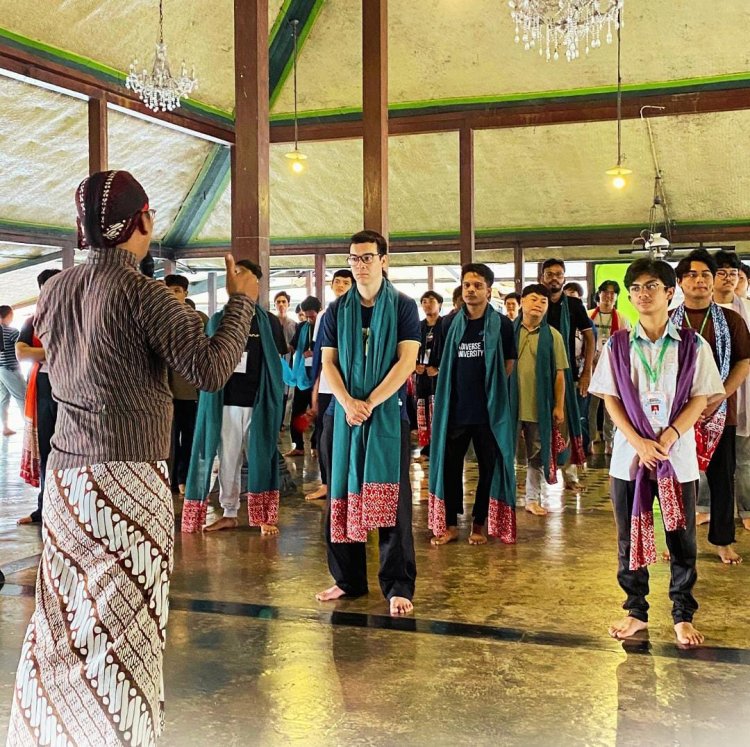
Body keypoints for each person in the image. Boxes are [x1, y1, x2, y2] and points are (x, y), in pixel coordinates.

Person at [6, 170, 258, 747]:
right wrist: (241, 303)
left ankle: (48, 730)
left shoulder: (54, 291)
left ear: (82, 229)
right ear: (143, 220)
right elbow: (211, 370)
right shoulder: (142, 293)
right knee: (125, 630)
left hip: (68, 480)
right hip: (129, 483)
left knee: (63, 620)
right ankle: (118, 734)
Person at [589, 258, 724, 647]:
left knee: (680, 537)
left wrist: (668, 438)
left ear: (670, 293)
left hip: (675, 456)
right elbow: (610, 398)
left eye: (652, 286)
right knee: (628, 537)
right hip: (629, 459)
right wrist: (639, 442)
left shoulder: (692, 346)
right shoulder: (616, 345)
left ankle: (683, 615)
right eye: (636, 288)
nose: (642, 294)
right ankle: (635, 611)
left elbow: (701, 397)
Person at [315, 230, 420, 616]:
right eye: (354, 258)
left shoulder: (403, 307)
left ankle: (397, 584)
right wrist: (347, 403)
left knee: (393, 501)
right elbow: (328, 362)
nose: (359, 265)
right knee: (338, 496)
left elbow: (406, 362)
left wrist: (370, 403)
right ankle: (347, 580)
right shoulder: (335, 311)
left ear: (383, 260)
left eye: (367, 257)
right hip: (341, 417)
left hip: (387, 415)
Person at [182, 260, 287, 535]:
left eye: (243, 275)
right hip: (226, 400)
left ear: (256, 283)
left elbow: (276, 364)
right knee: (227, 459)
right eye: (234, 274)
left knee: (262, 456)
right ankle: (229, 512)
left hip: (258, 401)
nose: (237, 279)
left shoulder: (269, 323)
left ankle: (263, 516)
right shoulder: (219, 319)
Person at [428, 263, 517, 545]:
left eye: (478, 286)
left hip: (489, 412)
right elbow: (442, 365)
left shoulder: (501, 324)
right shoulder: (447, 324)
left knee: (488, 468)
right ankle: (451, 524)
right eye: (467, 285)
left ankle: (479, 524)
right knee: (450, 467)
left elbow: (509, 361)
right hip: (456, 410)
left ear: (489, 292)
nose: (471, 290)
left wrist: (493, 387)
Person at [672, 250, 750, 565]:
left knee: (721, 478)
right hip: (676, 415)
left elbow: (744, 362)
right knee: (678, 479)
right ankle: (677, 540)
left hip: (721, 413)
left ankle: (722, 541)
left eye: (706, 274)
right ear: (679, 282)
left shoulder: (731, 319)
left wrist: (719, 395)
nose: (700, 280)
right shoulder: (668, 319)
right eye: (692, 274)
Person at [510, 284, 569, 516]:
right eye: (533, 299)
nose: (538, 305)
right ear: (522, 301)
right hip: (510, 406)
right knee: (505, 452)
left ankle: (532, 499)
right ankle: (503, 498)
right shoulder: (508, 331)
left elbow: (560, 374)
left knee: (536, 455)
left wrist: (558, 405)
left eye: (543, 302)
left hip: (539, 407)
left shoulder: (553, 336)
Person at [16, 269, 62, 525]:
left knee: (73, 451)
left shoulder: (76, 317)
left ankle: (68, 509)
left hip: (73, 386)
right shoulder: (32, 320)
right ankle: (43, 509)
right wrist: (53, 351)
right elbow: (21, 353)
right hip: (45, 386)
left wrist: (42, 352)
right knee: (46, 450)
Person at [539, 260, 591, 487]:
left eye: (558, 274)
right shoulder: (535, 302)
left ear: (564, 277)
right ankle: (537, 473)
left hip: (568, 373)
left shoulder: (573, 305)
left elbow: (590, 337)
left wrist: (586, 373)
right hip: (538, 373)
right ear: (542, 277)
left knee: (567, 423)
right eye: (549, 274)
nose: (554, 278)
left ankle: (569, 472)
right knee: (535, 424)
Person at [306, 269, 354, 501]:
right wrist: (315, 387)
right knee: (326, 435)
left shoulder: (359, 310)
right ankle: (327, 484)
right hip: (327, 385)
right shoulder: (325, 314)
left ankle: (351, 485)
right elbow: (319, 354)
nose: (341, 285)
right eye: (338, 282)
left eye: (346, 282)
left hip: (354, 386)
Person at [712, 250, 750, 532]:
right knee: (703, 462)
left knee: (743, 457)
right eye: (721, 272)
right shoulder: (690, 310)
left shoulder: (745, 312)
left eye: (733, 273)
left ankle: (746, 508)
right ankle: (703, 508)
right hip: (704, 399)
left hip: (741, 391)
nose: (728, 278)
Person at [164, 274, 207, 495]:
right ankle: (169, 479)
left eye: (177, 291)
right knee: (167, 439)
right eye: (169, 290)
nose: (173, 295)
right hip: (164, 391)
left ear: (186, 294)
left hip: (191, 390)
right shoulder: (157, 319)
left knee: (190, 436)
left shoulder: (199, 319)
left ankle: (184, 478)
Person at [588, 280, 631, 454]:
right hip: (590, 366)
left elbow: (626, 346)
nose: (608, 296)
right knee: (590, 407)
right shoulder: (588, 315)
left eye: (613, 293)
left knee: (611, 407)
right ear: (599, 294)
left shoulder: (622, 318)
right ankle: (590, 440)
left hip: (612, 368)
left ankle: (609, 441)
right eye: (605, 292)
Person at [286, 295, 321, 456]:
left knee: (318, 413)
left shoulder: (325, 325)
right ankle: (298, 445)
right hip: (302, 375)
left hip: (319, 377)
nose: (309, 319)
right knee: (297, 412)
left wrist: (314, 352)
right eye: (306, 316)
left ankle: (316, 444)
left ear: (319, 312)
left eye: (312, 316)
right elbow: (293, 345)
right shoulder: (301, 327)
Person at [415, 290, 443, 457]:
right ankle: (426, 443)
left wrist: (438, 368)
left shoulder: (445, 325)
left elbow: (449, 351)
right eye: (424, 301)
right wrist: (414, 365)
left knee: (437, 408)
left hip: (438, 375)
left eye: (431, 301)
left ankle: (438, 442)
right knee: (422, 408)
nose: (427, 304)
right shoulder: (418, 327)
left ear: (439, 304)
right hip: (421, 374)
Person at [0, 305, 26, 436]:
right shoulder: (12, 331)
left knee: (4, 399)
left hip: (1, 370)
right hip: (10, 369)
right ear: (9, 315)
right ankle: (29, 429)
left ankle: (5, 427)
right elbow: (22, 348)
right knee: (23, 397)